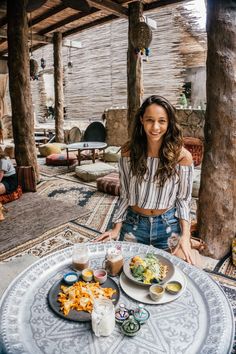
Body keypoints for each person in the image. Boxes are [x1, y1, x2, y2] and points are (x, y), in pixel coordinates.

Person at [96, 95, 194, 264]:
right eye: (150, 120)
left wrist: (186, 236)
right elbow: (125, 194)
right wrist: (115, 228)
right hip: (134, 226)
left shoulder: (182, 157)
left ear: (169, 122)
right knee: (123, 269)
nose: (155, 127)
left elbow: (183, 200)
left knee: (173, 274)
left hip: (167, 225)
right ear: (141, 120)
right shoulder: (128, 152)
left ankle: (192, 242)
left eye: (162, 121)